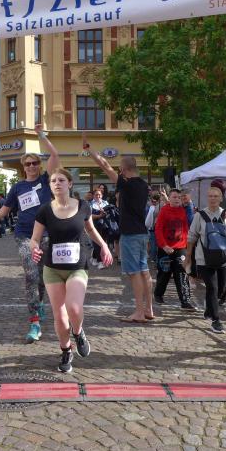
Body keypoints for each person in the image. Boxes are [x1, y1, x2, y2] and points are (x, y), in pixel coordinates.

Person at [0, 125, 60, 343]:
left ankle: (39, 303)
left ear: (39, 165)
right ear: (23, 167)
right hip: (25, 236)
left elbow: (54, 155)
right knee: (31, 275)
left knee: (43, 277)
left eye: (35, 163)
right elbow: (3, 211)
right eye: (28, 164)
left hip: (47, 235)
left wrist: (41, 135)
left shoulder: (46, 181)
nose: (32, 166)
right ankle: (34, 322)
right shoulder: (17, 188)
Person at [30, 169, 112, 373]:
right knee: (59, 315)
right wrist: (35, 249)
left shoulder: (83, 206)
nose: (57, 183)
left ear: (70, 183)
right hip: (53, 268)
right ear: (50, 186)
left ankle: (78, 332)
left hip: (77, 266)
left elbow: (90, 229)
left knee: (74, 308)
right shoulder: (45, 210)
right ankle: (66, 351)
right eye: (53, 181)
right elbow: (35, 239)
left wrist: (104, 246)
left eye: (61, 180)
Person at [84, 131, 152, 322]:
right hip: (142, 233)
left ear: (123, 169)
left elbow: (105, 165)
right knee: (144, 271)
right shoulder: (143, 185)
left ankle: (139, 312)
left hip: (130, 234)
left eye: (120, 169)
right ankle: (149, 309)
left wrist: (88, 149)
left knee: (134, 273)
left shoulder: (127, 184)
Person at [186, 185, 226, 333]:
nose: (213, 198)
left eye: (216, 196)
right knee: (212, 288)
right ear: (207, 198)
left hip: (222, 257)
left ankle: (209, 309)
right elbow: (192, 236)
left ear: (221, 199)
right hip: (204, 258)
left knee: (220, 290)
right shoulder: (200, 215)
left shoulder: (225, 214)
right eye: (210, 196)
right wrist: (188, 257)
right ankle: (216, 320)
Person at [153, 189, 194, 310]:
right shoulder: (164, 211)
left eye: (179, 197)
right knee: (164, 273)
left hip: (180, 248)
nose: (177, 199)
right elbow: (158, 229)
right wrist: (164, 245)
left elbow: (188, 226)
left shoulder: (184, 210)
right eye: (174, 197)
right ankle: (158, 294)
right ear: (169, 198)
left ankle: (185, 301)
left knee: (182, 274)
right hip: (165, 248)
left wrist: (187, 247)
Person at [89, 189, 110, 268]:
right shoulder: (90, 204)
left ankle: (94, 257)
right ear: (93, 196)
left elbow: (109, 213)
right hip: (95, 226)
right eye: (96, 195)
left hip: (105, 225)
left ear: (102, 195)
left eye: (99, 195)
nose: (98, 196)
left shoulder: (105, 203)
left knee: (103, 242)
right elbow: (89, 216)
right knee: (97, 243)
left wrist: (106, 213)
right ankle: (100, 261)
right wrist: (99, 216)